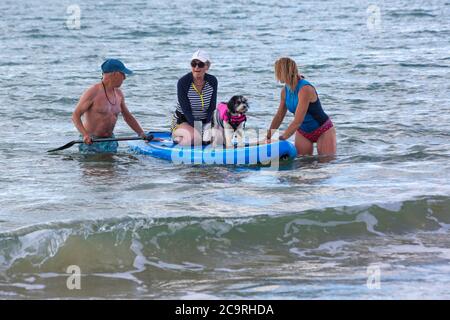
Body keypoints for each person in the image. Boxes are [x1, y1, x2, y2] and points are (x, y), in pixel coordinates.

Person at [72, 59, 151, 153]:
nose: (125, 78)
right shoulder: (93, 92)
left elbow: (127, 116)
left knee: (111, 166)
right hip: (91, 142)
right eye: (123, 74)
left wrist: (141, 133)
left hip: (110, 141)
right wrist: (85, 135)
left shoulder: (119, 94)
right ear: (115, 74)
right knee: (94, 167)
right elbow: (75, 116)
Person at [267, 57, 336, 156]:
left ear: (284, 71)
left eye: (277, 72)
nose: (276, 75)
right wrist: (269, 136)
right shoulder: (284, 91)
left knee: (326, 164)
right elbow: (279, 116)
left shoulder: (305, 89)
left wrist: (282, 138)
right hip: (303, 132)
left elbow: (298, 120)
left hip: (323, 129)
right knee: (303, 166)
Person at [171, 49, 218, 146]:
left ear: (207, 66)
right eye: (193, 64)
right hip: (183, 121)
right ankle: (178, 137)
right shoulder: (183, 82)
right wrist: (199, 129)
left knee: (220, 137)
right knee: (196, 138)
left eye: (200, 64)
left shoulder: (213, 81)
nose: (196, 67)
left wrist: (207, 126)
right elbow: (186, 110)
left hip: (205, 121)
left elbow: (211, 108)